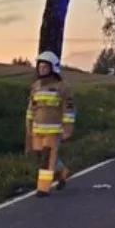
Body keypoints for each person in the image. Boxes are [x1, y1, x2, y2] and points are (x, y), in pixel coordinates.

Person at [24, 51, 76, 196]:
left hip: (54, 130)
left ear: (53, 68)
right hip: (37, 130)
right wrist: (28, 127)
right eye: (40, 66)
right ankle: (62, 172)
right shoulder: (35, 86)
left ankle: (43, 188)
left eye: (45, 67)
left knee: (47, 157)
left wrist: (68, 128)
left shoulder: (62, 87)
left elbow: (69, 110)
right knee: (40, 156)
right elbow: (31, 109)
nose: (41, 69)